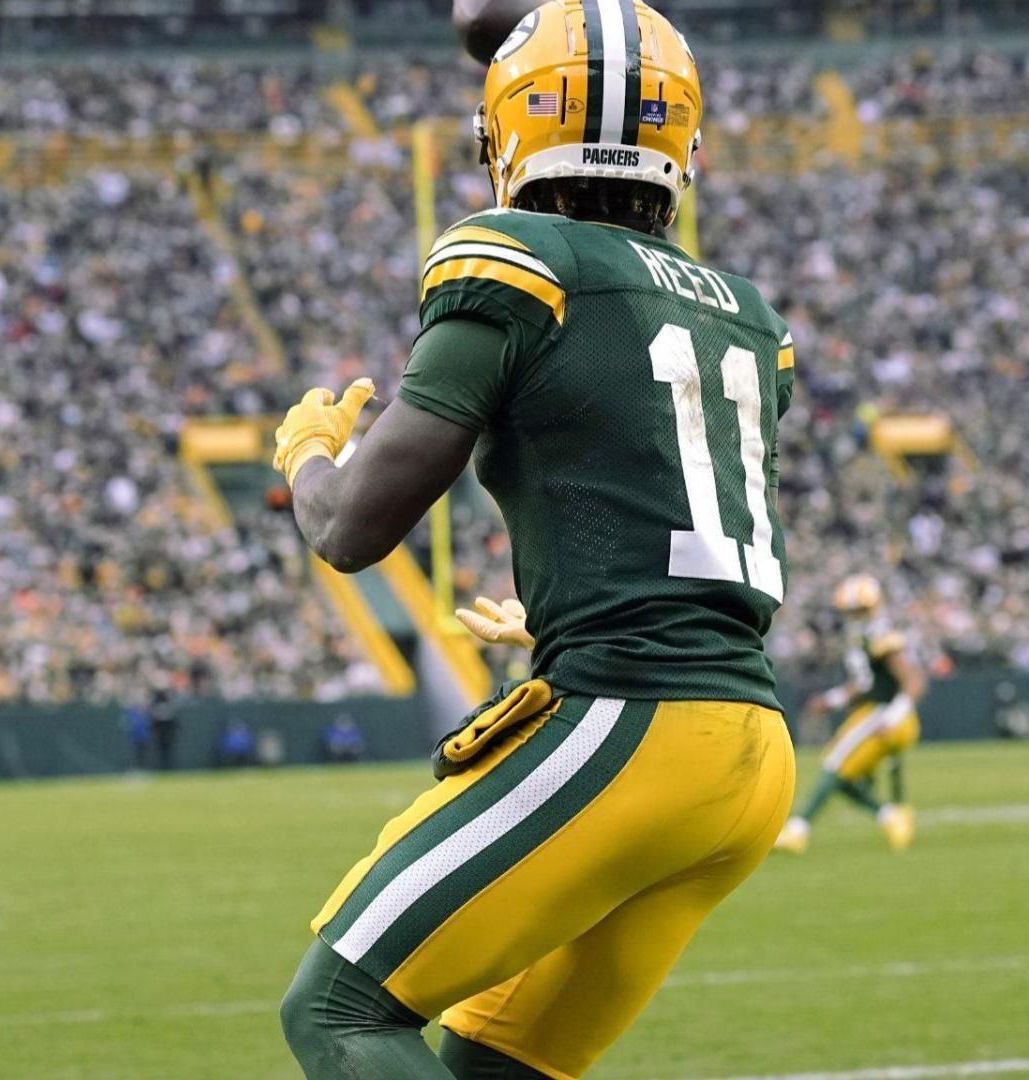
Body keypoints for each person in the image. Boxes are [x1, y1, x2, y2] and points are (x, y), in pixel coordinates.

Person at [271, 4, 798, 1077]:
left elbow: (352, 531)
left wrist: (307, 456)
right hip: (750, 749)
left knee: (338, 1010)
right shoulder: (745, 309)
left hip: (631, 718)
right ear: (682, 144)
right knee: (491, 1063)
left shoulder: (513, 256)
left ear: (508, 127)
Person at [775, 575, 927, 854]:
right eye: (851, 611)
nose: (855, 616)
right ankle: (892, 814)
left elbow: (914, 681)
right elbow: (863, 682)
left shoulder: (881, 635)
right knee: (844, 778)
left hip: (883, 715)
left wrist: (892, 717)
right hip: (880, 714)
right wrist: (831, 700)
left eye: (860, 611)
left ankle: (798, 831)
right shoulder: (864, 637)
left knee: (833, 765)